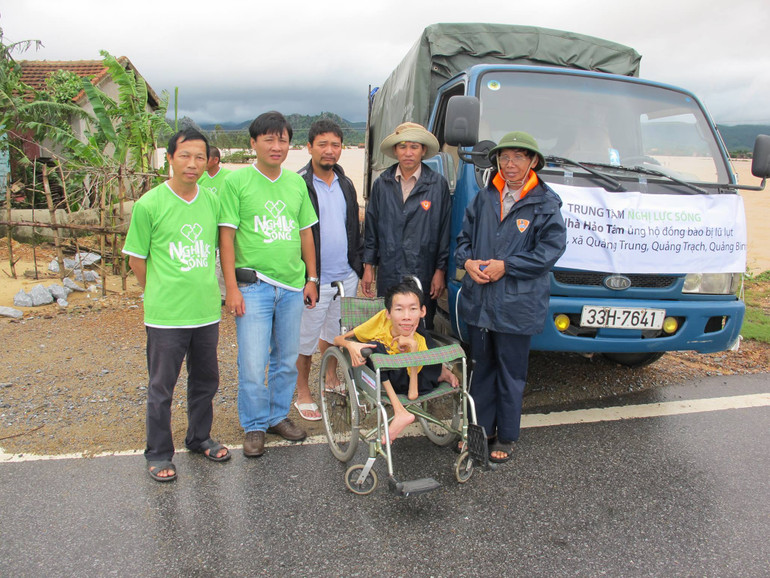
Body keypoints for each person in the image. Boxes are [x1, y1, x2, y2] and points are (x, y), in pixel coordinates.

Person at [123, 128, 230, 483]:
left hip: (205, 312)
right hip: (166, 315)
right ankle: (158, 452)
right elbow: (138, 259)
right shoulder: (149, 204)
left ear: (208, 160)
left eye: (200, 156)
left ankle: (199, 437)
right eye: (185, 155)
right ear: (169, 158)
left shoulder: (211, 201)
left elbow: (218, 248)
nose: (193, 163)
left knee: (205, 381)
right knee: (161, 387)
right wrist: (159, 290)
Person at [455, 131, 566, 463]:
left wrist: (508, 266)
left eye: (519, 156)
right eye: (505, 157)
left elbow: (550, 250)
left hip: (519, 304)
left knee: (511, 373)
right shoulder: (484, 196)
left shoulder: (545, 202)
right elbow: (463, 240)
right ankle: (479, 432)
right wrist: (469, 262)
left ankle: (505, 436)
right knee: (481, 368)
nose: (510, 163)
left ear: (533, 162)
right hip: (481, 300)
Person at [218, 111, 319, 458]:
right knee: (252, 360)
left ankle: (277, 416)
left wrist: (312, 278)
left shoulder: (295, 184)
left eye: (283, 140)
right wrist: (231, 287)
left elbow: (306, 233)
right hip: (253, 287)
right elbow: (226, 238)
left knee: (287, 359)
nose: (277, 146)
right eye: (269, 139)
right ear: (253, 143)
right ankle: (255, 425)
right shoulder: (237, 182)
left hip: (292, 287)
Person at [294, 119, 363, 421]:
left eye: (335, 144)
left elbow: (353, 227)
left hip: (345, 275)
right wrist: (307, 275)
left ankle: (330, 378)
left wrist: (359, 268)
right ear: (309, 147)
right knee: (305, 338)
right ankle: (303, 392)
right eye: (322, 144)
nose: (329, 150)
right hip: (315, 278)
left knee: (336, 332)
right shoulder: (299, 184)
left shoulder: (345, 183)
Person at [334, 279, 458, 444]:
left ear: (423, 311)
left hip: (416, 382)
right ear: (388, 313)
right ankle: (401, 410)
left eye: (413, 309)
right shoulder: (381, 320)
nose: (407, 317)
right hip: (388, 374)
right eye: (399, 309)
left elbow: (413, 395)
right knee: (374, 347)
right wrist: (351, 345)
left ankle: (404, 408)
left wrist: (412, 349)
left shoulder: (421, 342)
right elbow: (338, 339)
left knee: (423, 344)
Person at [362, 122, 451, 329]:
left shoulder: (437, 185)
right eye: (403, 146)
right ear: (395, 151)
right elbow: (371, 229)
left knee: (420, 327)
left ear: (423, 151)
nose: (408, 153)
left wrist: (440, 270)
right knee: (388, 326)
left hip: (423, 270)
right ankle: (389, 362)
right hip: (389, 270)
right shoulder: (382, 184)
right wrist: (368, 266)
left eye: (414, 147)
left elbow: (445, 231)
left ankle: (418, 362)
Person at [198, 146, 232, 299]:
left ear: (215, 160)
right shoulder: (201, 179)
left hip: (224, 223)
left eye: (205, 158)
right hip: (206, 224)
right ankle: (211, 291)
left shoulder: (229, 177)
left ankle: (224, 293)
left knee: (224, 257)